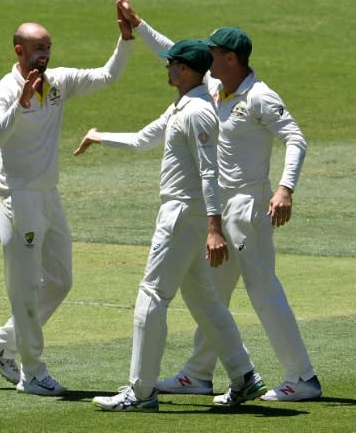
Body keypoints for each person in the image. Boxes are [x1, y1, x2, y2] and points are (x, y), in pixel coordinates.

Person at [112, 0, 321, 402]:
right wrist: (138, 24)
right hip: (217, 208)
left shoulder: (260, 96)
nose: (205, 58)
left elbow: (296, 139)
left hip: (248, 205)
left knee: (262, 290)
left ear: (230, 58)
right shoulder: (212, 86)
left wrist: (285, 188)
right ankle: (198, 373)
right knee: (211, 292)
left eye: (213, 52)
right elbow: (173, 52)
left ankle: (302, 378)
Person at [78, 40, 264, 412]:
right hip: (185, 215)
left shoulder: (197, 113)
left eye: (172, 64)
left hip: (183, 214)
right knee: (202, 298)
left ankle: (141, 391)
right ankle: (244, 376)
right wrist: (100, 137)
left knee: (152, 294)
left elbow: (210, 173)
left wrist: (214, 227)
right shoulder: (182, 107)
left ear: (187, 70)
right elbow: (142, 140)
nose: (167, 69)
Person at [0, 0, 135, 396]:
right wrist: (20, 104)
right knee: (25, 286)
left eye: (48, 47)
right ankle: (33, 373)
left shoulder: (59, 81)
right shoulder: (4, 90)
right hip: (17, 198)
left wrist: (126, 37)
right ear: (18, 51)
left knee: (60, 280)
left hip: (49, 195)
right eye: (37, 48)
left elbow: (108, 76)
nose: (45, 55)